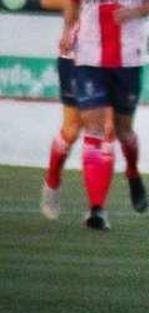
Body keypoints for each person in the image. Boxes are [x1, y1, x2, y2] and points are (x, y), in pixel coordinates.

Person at [62, 0, 149, 230]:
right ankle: (97, 209)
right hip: (88, 58)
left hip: (127, 61)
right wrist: (68, 30)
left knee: (123, 131)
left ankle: (133, 172)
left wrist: (134, 11)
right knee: (94, 129)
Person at [40, 0, 84, 221]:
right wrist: (69, 7)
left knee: (107, 129)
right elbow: (46, 2)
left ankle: (97, 208)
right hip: (75, 58)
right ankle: (52, 182)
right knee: (72, 130)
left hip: (111, 60)